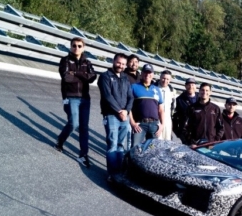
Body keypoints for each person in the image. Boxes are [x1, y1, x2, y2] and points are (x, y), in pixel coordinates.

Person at [55, 36, 97, 168]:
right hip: (70, 97)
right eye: (74, 45)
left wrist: (76, 73)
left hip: (85, 98)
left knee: (84, 127)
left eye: (79, 46)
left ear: (83, 48)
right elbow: (66, 77)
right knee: (73, 123)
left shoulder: (87, 62)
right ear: (70, 46)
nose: (76, 48)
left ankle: (83, 155)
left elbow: (92, 78)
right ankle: (60, 141)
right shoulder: (65, 60)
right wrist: (82, 75)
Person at [97, 53, 133, 182]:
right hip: (111, 114)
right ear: (113, 61)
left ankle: (119, 171)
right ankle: (112, 174)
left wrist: (126, 111)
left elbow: (130, 97)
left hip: (124, 115)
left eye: (123, 64)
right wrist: (119, 111)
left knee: (120, 145)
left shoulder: (125, 78)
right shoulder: (105, 76)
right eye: (119, 63)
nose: (121, 66)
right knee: (112, 144)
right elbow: (107, 96)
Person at [129, 64, 164, 148]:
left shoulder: (157, 89)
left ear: (152, 74)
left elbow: (161, 110)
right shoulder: (133, 87)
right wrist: (133, 123)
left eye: (149, 73)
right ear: (141, 74)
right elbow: (128, 107)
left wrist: (162, 125)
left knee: (153, 150)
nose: (147, 75)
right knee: (135, 148)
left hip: (154, 124)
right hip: (140, 125)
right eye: (145, 72)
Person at [172, 77, 197, 143]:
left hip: (198, 130)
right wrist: (178, 132)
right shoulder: (179, 100)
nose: (191, 87)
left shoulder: (200, 99)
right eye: (188, 85)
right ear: (185, 86)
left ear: (195, 86)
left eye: (192, 85)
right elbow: (174, 117)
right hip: (185, 132)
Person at [156, 70, 175, 141]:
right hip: (156, 118)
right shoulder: (154, 88)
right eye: (163, 78)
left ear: (170, 80)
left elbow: (173, 106)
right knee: (157, 140)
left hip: (167, 118)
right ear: (160, 77)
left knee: (167, 140)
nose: (165, 80)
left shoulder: (171, 90)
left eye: (167, 79)